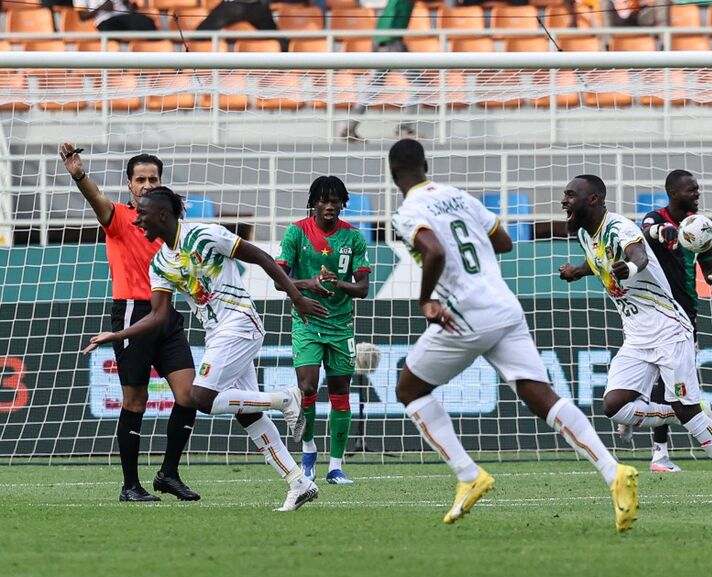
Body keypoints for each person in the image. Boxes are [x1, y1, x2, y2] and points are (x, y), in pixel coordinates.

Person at [388, 140, 640, 533]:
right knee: (541, 396)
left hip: (465, 312)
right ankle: (613, 471)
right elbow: (503, 242)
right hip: (505, 305)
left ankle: (468, 474)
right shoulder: (457, 196)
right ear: (426, 164)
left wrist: (426, 301)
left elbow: (433, 251)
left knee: (409, 390)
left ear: (393, 174)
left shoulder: (407, 211)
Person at [82, 187, 329, 512]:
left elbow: (263, 258)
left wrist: (297, 298)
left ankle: (285, 398)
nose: (137, 219)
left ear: (161, 215)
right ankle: (298, 481)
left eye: (142, 213)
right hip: (218, 335)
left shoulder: (205, 235)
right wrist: (119, 335)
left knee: (200, 398)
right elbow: (158, 315)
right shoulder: (160, 264)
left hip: (240, 323)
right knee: (249, 415)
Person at [559, 174, 712, 510]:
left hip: (668, 329)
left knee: (689, 412)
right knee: (615, 407)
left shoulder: (619, 228)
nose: (564, 201)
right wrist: (579, 272)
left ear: (592, 199)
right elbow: (599, 262)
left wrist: (630, 269)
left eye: (569, 195)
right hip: (636, 334)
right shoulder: (583, 233)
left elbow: (637, 255)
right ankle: (678, 412)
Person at [60, 144, 199, 503]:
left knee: (189, 395)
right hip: (132, 314)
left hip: (166, 315)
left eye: (153, 178)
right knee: (134, 401)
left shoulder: (172, 227)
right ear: (129, 185)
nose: (147, 185)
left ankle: (168, 473)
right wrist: (79, 174)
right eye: (141, 179)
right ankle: (130, 486)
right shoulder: (119, 217)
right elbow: (96, 200)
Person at [276, 176, 370, 485]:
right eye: (323, 200)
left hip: (341, 324)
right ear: (313, 202)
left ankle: (336, 466)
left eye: (335, 200)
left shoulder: (353, 238)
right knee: (306, 388)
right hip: (307, 321)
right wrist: (308, 285)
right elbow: (280, 280)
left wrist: (337, 283)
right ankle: (308, 452)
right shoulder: (296, 232)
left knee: (341, 392)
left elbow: (363, 288)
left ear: (343, 203)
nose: (329, 205)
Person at [638, 169, 712, 473]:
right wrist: (663, 232)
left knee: (666, 381)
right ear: (673, 192)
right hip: (658, 311)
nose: (697, 194)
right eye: (692, 190)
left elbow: (708, 263)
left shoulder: (698, 226)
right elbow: (649, 229)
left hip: (688, 313)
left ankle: (633, 413)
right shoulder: (656, 216)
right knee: (668, 382)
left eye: (697, 190)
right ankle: (659, 454)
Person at [74, 0, 158, 32]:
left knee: (148, 22)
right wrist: (101, 8)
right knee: (108, 28)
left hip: (125, 16)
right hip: (104, 20)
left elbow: (126, 3)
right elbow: (82, 16)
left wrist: (131, 7)